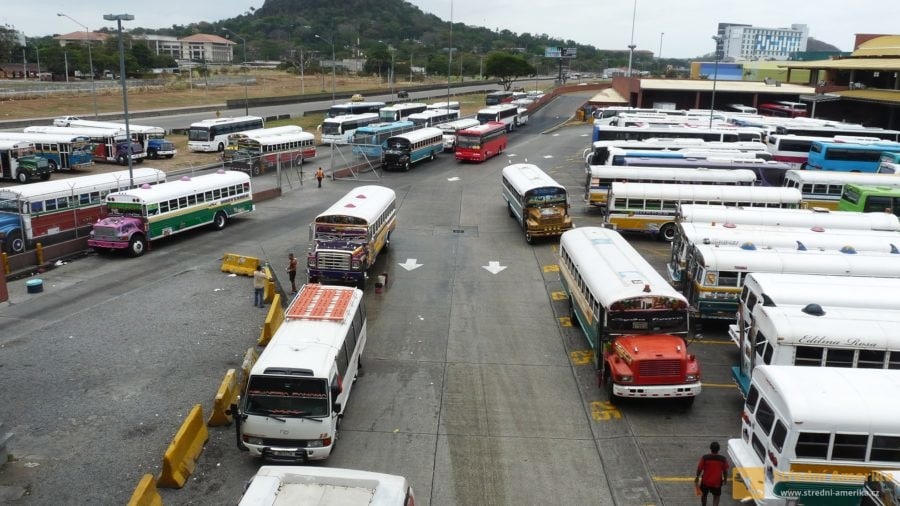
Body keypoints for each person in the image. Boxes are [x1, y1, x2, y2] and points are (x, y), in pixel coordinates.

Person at [695, 441, 728, 506]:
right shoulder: (723, 459)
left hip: (705, 481)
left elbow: (699, 469)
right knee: (716, 496)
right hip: (717, 482)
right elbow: (725, 471)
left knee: (704, 495)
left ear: (710, 448)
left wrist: (697, 477)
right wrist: (725, 480)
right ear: (719, 449)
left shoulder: (705, 458)